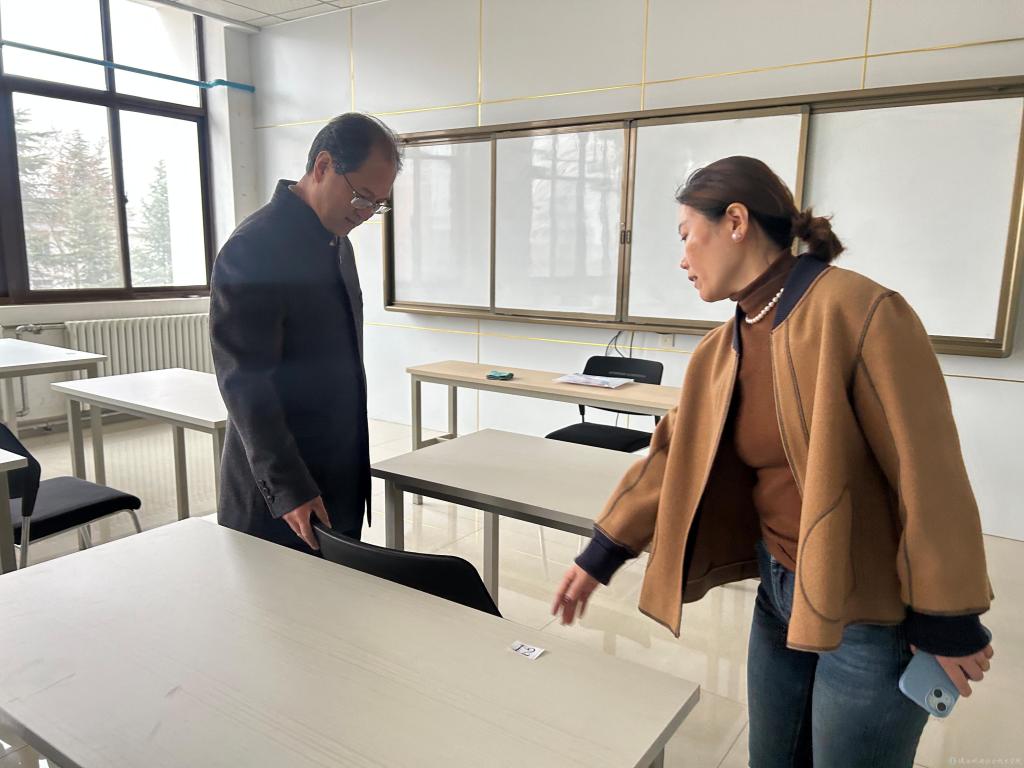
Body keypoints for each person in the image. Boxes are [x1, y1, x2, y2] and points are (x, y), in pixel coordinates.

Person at [552, 156, 995, 767]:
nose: (682, 259)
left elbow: (929, 471)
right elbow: (672, 459)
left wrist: (949, 617)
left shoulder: (859, 312)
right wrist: (600, 555)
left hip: (869, 616)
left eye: (686, 235)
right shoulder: (722, 347)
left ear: (735, 222)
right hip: (780, 593)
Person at [210, 113, 401, 553]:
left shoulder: (338, 243)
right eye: (361, 196)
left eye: (377, 204)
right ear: (323, 166)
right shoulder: (254, 248)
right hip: (281, 497)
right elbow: (245, 381)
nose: (366, 213)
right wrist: (289, 488)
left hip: (337, 479)